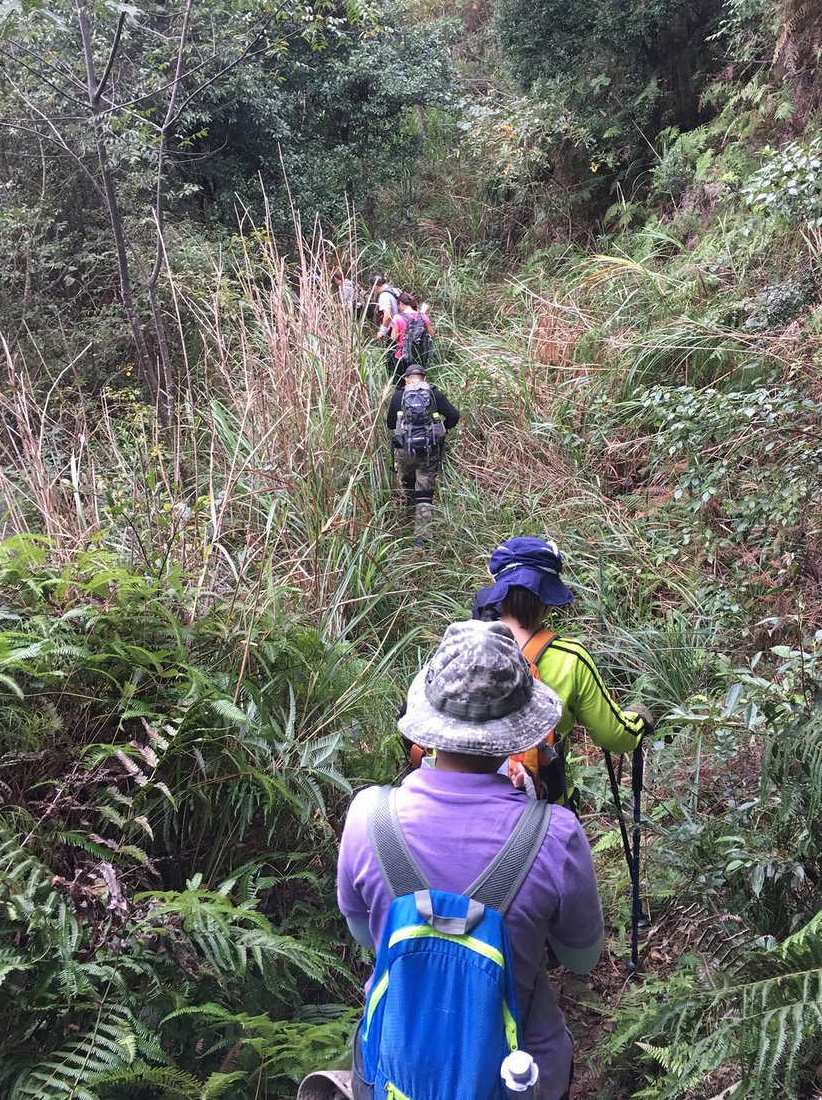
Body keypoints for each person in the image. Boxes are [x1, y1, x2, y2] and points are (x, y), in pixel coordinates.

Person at [337, 619, 605, 1100]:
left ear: (426, 720)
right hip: (520, 1074)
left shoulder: (367, 817)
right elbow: (581, 958)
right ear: (523, 728)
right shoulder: (554, 835)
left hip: (396, 1071)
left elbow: (365, 933)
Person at [473, 536, 654, 802]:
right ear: (548, 596)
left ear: (499, 588)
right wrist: (639, 722)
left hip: (458, 810)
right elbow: (614, 736)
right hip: (538, 818)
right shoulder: (570, 657)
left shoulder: (463, 647)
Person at [386, 364, 459, 545]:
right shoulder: (434, 393)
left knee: (409, 480)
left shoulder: (398, 395)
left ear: (406, 379)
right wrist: (440, 430)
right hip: (430, 448)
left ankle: (410, 513)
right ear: (424, 378)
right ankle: (422, 538)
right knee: (425, 490)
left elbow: (389, 424)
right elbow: (454, 416)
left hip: (405, 449)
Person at [387, 293, 434, 383]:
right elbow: (432, 335)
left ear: (401, 304)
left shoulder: (398, 318)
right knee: (418, 382)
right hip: (420, 355)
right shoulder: (423, 316)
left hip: (401, 356)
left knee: (400, 384)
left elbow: (393, 338)